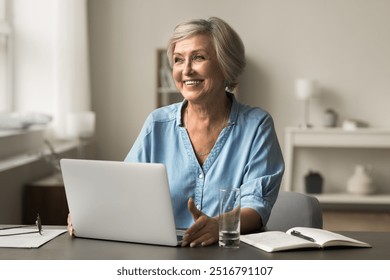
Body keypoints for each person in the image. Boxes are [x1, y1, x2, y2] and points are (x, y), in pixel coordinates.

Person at [68, 17, 284, 247]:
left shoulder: (257, 126)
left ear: (225, 65)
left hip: (230, 254)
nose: (186, 70)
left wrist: (219, 225)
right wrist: (90, 214)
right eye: (178, 60)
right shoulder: (157, 123)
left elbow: (256, 205)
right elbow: (126, 191)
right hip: (165, 253)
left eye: (199, 57)